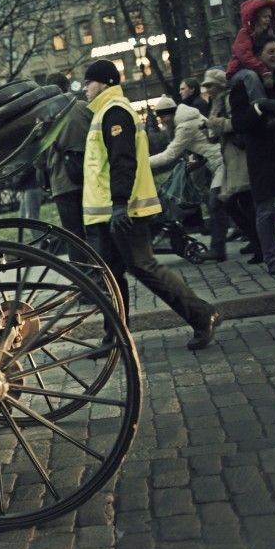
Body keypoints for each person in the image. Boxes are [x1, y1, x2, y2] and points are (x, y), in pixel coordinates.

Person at [81, 59, 220, 351]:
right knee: (111, 276)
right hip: (110, 212)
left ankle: (202, 314)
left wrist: (119, 204)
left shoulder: (114, 111)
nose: (84, 88)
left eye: (88, 82)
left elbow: (123, 161)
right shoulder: (105, 112)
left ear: (104, 83)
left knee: (143, 266)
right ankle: (115, 337)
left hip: (123, 211)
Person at [228, 38, 275, 275]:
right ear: (258, 55)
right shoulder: (244, 85)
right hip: (261, 155)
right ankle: (273, 260)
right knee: (265, 210)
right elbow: (238, 122)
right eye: (269, 51)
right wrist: (261, 107)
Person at [149, 103, 227, 261]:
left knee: (215, 204)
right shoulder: (188, 118)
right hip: (218, 162)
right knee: (229, 204)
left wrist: (140, 163)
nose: (162, 120)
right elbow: (203, 143)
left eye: (163, 116)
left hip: (221, 163)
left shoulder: (185, 125)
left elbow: (169, 155)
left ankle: (218, 249)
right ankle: (254, 240)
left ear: (171, 114)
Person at [202, 68, 262, 264]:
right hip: (229, 158)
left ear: (219, 84)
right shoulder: (215, 102)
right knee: (234, 203)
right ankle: (256, 241)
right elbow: (214, 133)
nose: (207, 89)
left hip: (240, 156)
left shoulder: (228, 99)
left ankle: (259, 245)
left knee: (243, 202)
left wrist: (216, 124)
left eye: (210, 85)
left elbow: (237, 123)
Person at [44, 72, 92, 254]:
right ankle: (105, 274)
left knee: (73, 235)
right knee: (95, 230)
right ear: (67, 86)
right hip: (90, 177)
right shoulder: (84, 108)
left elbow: (39, 158)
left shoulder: (45, 115)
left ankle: (82, 275)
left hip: (62, 182)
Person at [226, 0, 275, 107]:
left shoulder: (268, 35)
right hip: (239, 72)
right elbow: (245, 56)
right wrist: (264, 71)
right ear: (255, 18)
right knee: (251, 76)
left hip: (258, 68)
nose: (268, 20)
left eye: (269, 17)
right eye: (264, 17)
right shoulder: (244, 34)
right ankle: (262, 107)